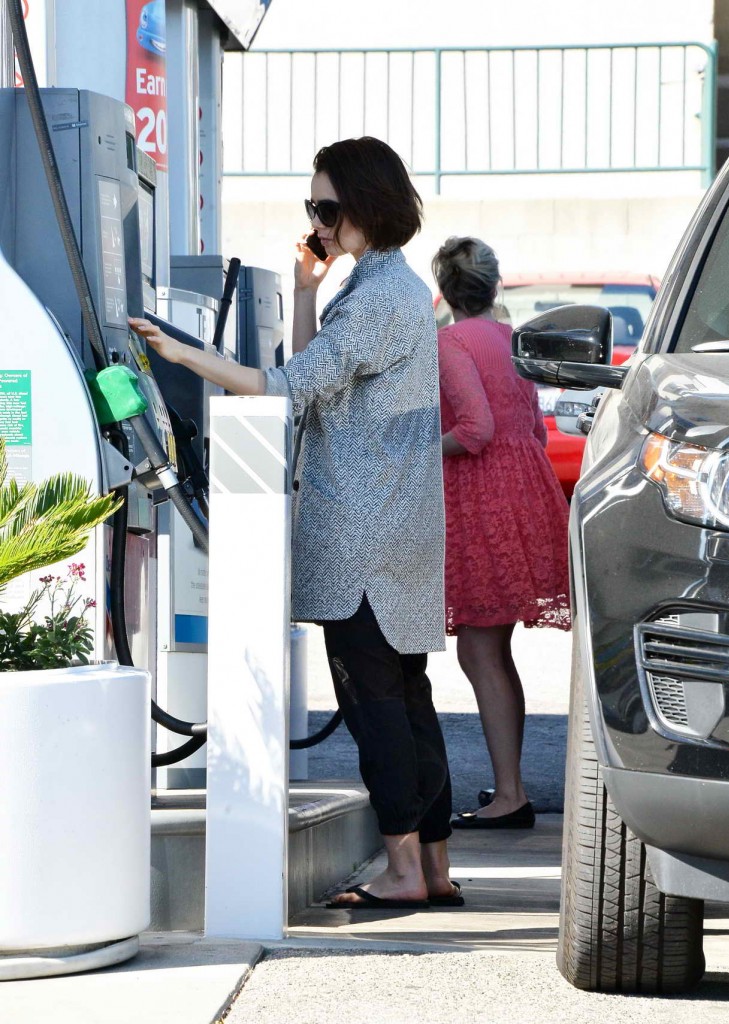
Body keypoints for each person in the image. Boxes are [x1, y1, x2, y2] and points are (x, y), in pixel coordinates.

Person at [129, 137, 462, 909]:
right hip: (394, 527)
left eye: (325, 207)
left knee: (375, 702)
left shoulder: (379, 298)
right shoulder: (389, 288)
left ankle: (405, 871)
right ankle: (432, 868)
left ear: (364, 205)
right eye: (312, 208)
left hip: (363, 537)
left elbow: (280, 388)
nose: (315, 221)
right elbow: (316, 383)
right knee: (407, 698)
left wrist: (178, 353)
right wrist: (307, 292)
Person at [432, 236, 570, 830]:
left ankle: (511, 794)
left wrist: (418, 451)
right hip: (523, 492)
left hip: (483, 498)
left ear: (445, 290)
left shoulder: (451, 342)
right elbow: (533, 432)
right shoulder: (513, 341)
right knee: (492, 646)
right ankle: (509, 785)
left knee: (481, 647)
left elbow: (475, 429)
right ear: (493, 285)